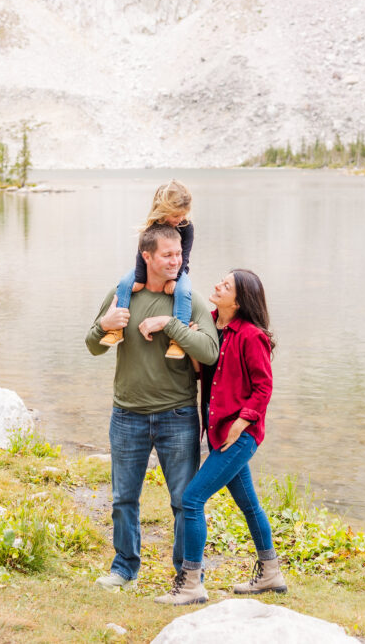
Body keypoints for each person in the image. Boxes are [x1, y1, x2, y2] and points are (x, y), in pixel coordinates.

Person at [86, 223, 219, 591]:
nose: (176, 261)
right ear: (147, 256)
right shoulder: (124, 294)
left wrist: (174, 327)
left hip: (178, 415)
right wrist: (104, 324)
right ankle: (124, 569)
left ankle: (187, 573)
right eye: (167, 255)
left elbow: (210, 353)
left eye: (179, 254)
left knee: (183, 501)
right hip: (127, 413)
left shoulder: (191, 300)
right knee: (123, 499)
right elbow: (93, 345)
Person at [155, 269, 286, 605]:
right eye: (221, 281)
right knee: (249, 504)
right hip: (217, 432)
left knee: (192, 499)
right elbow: (206, 374)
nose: (217, 285)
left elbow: (263, 387)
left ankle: (191, 584)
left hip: (238, 435)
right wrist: (194, 342)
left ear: (239, 300)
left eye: (226, 286)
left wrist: (242, 424)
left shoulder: (251, 335)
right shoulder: (211, 325)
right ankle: (271, 573)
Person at [99, 180, 195, 360]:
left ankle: (178, 339)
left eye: (184, 214)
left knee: (183, 291)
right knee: (125, 283)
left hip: (178, 270)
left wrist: (175, 279)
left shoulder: (186, 227)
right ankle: (116, 328)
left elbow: (185, 256)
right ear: (163, 210)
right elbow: (140, 254)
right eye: (176, 214)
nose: (180, 218)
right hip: (149, 269)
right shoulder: (151, 227)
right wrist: (140, 279)